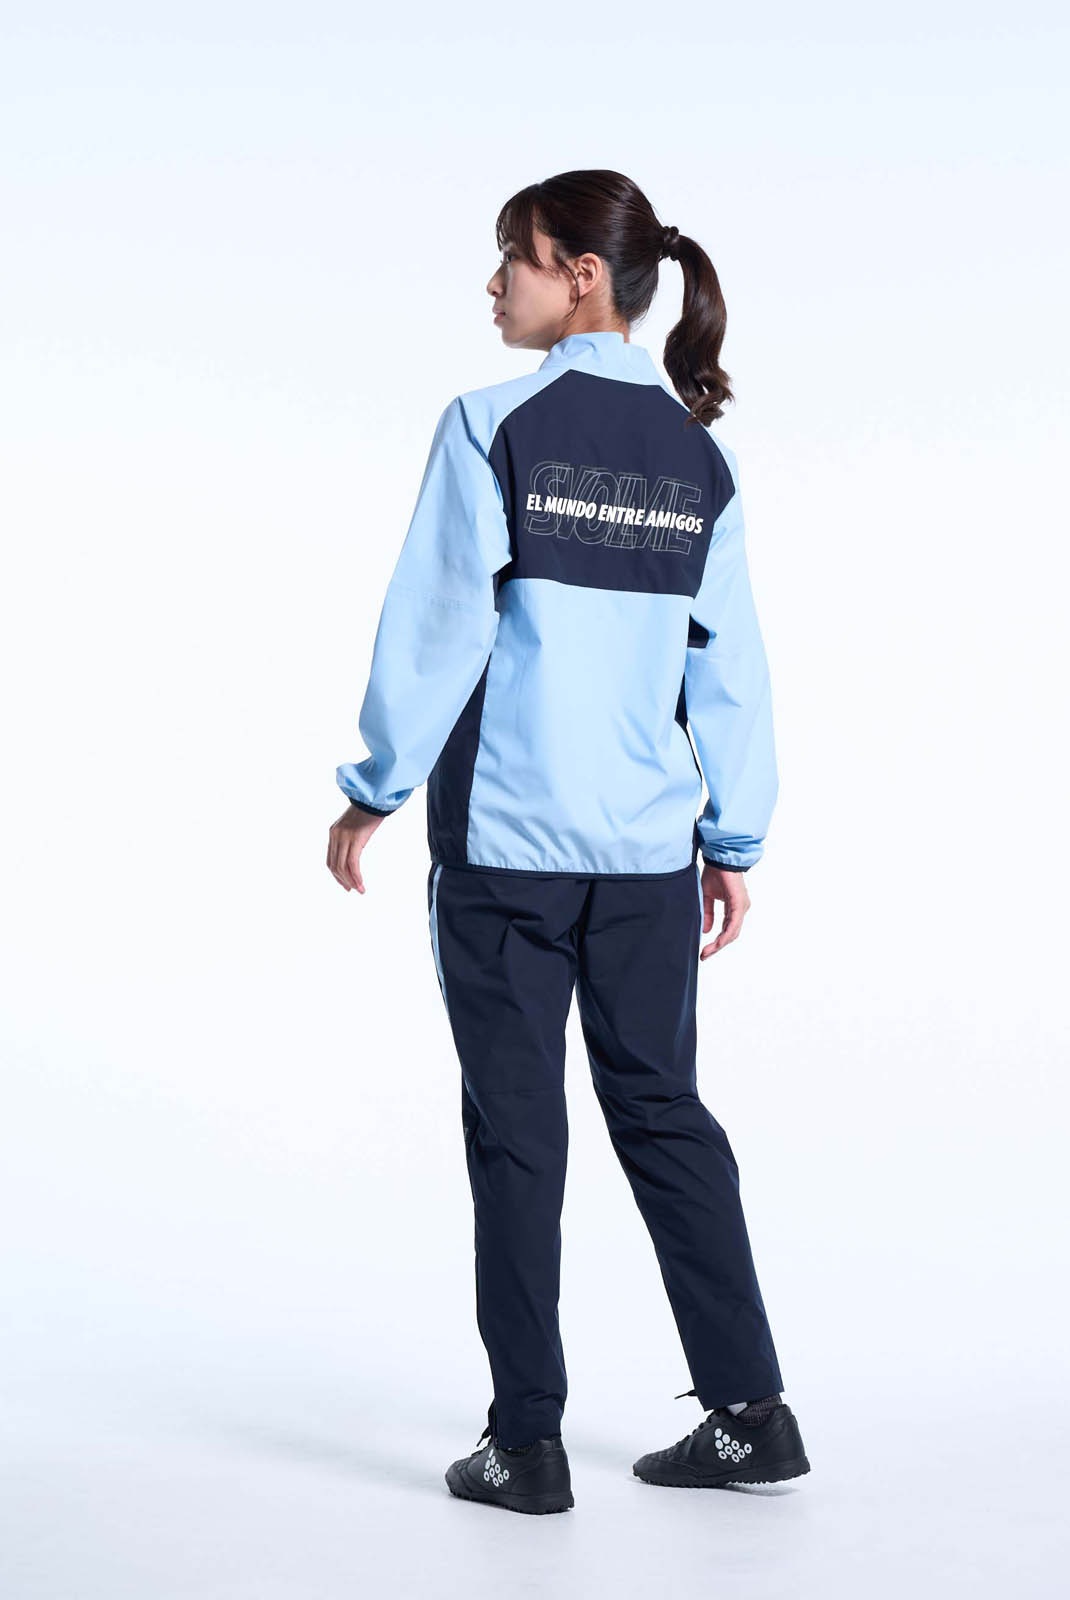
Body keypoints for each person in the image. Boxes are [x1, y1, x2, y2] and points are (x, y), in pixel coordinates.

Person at [327, 169, 811, 1514]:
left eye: (517, 257)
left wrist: (373, 786)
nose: (496, 285)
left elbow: (439, 626)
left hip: (509, 849)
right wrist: (733, 839)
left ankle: (525, 1445)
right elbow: (732, 669)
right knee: (664, 1113)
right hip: (649, 858)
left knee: (518, 1132)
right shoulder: (698, 457)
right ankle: (751, 1417)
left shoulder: (492, 426)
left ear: (582, 275)